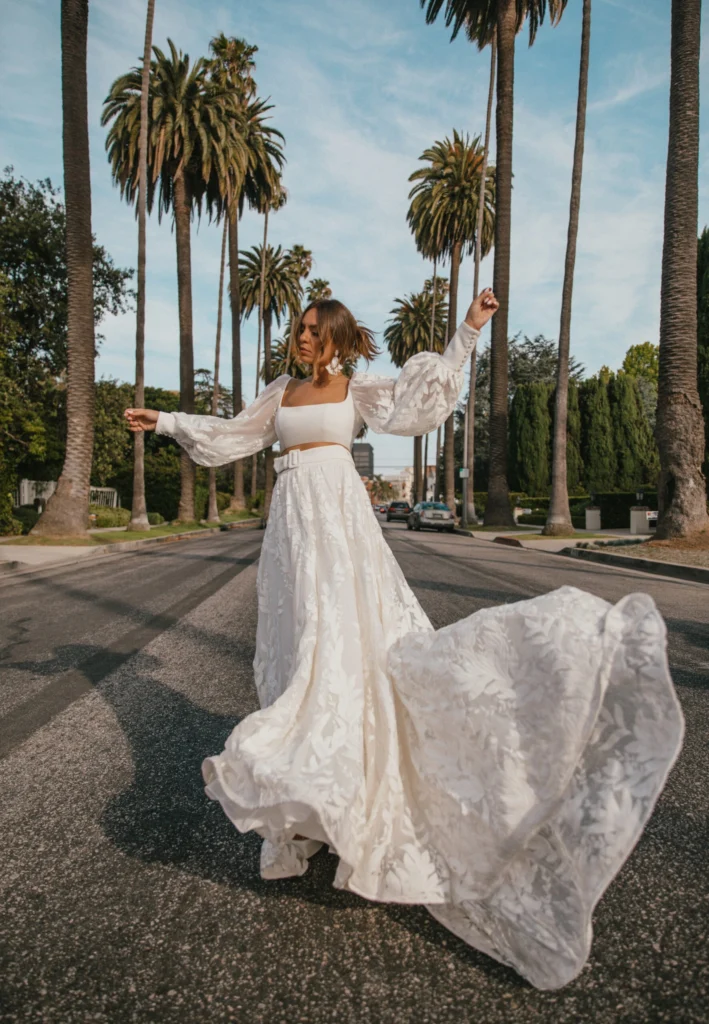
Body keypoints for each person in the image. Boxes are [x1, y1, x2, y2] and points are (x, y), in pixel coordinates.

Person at [125, 291, 683, 991]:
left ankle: (346, 790)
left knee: (349, 653)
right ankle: (315, 803)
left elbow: (422, 400)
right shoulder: (280, 392)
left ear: (333, 337)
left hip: (341, 532)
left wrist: (468, 331)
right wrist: (168, 419)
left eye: (309, 331)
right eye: (296, 330)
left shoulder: (356, 389)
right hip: (291, 538)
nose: (299, 339)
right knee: (300, 651)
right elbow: (235, 433)